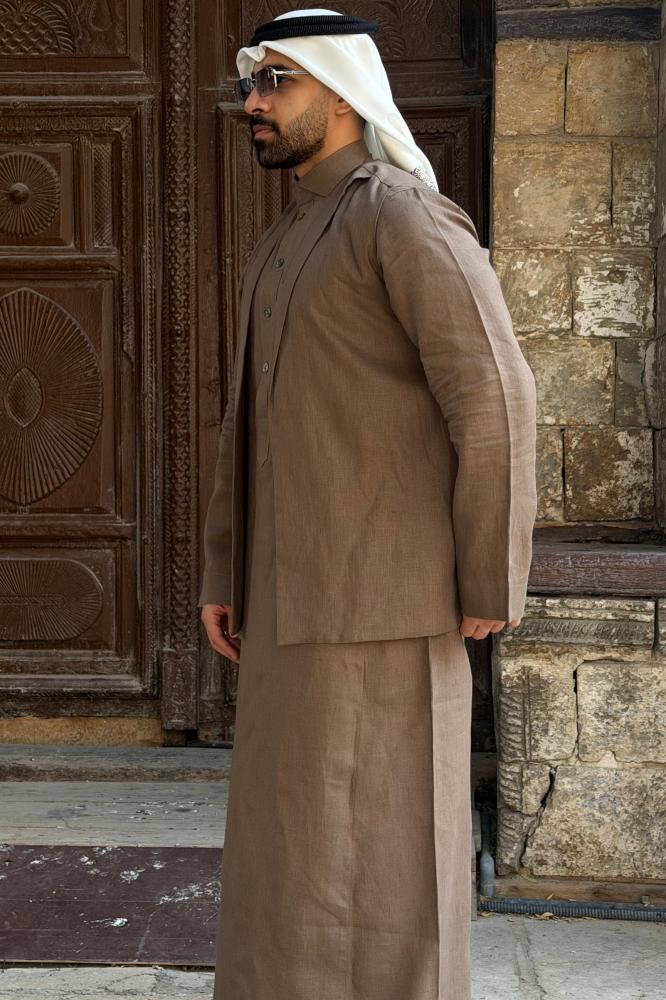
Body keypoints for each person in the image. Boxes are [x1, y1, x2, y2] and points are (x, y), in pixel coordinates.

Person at [199, 9, 537, 1000]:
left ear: (343, 94)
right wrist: (225, 570)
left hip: (390, 606)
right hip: (287, 604)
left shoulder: (401, 216)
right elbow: (249, 425)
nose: (254, 104)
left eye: (276, 83)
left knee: (390, 854)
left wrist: (490, 575)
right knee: (292, 855)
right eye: (251, 85)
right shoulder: (291, 234)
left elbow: (495, 393)